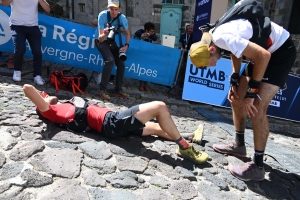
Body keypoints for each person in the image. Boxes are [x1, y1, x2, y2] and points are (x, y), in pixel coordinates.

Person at [189, 18, 296, 181]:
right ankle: (239, 145)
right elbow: (235, 50)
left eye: (208, 64)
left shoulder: (220, 38)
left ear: (211, 49)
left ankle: (258, 166)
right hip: (263, 51)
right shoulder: (214, 37)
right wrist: (234, 77)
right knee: (236, 97)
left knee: (257, 109)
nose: (212, 66)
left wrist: (252, 93)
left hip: (279, 52)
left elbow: (264, 56)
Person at [23, 83, 209, 164]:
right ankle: (184, 147)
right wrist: (46, 100)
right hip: (111, 123)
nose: (43, 92)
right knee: (159, 107)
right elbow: (28, 89)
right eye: (42, 94)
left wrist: (52, 98)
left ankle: (190, 138)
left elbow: (43, 95)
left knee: (156, 129)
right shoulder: (50, 111)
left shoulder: (58, 106)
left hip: (112, 123)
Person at [2, 0, 50, 85]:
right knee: (20, 49)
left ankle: (37, 75)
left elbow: (48, 9)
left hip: (33, 26)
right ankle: (17, 71)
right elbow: (4, 3)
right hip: (16, 26)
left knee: (37, 51)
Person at [95, 0, 130, 100]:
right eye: (111, 9)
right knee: (110, 60)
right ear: (108, 8)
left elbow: (128, 33)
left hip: (111, 41)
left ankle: (118, 90)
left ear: (119, 8)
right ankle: (101, 89)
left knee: (121, 63)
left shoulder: (122, 18)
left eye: (116, 9)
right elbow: (100, 38)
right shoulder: (102, 15)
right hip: (100, 40)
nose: (113, 12)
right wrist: (105, 33)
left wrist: (126, 45)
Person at [134, 22, 158, 91]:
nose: (153, 32)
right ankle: (141, 84)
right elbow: (137, 33)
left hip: (148, 54)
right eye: (151, 31)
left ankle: (146, 84)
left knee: (147, 68)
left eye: (153, 31)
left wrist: (149, 35)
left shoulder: (152, 34)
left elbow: (155, 38)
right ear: (146, 30)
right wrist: (142, 35)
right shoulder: (141, 31)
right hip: (141, 53)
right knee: (142, 68)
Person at [178, 24, 193, 88]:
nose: (189, 30)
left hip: (191, 54)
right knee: (183, 67)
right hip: (184, 54)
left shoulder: (194, 36)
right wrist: (182, 49)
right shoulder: (183, 36)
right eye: (187, 29)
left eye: (190, 29)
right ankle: (181, 83)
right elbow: (180, 44)